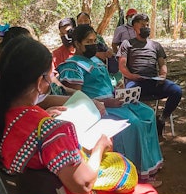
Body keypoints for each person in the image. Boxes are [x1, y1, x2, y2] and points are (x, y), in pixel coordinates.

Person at [0, 35, 120, 194]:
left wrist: (45, 119)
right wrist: (100, 146)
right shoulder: (50, 130)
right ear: (40, 81)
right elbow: (83, 184)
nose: (53, 80)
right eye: (52, 75)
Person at [58, 24, 163, 181]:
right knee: (133, 123)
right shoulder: (72, 66)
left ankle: (151, 165)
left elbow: (107, 81)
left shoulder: (96, 60)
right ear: (77, 44)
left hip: (114, 100)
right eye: (88, 41)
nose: (93, 44)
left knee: (148, 114)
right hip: (98, 108)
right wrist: (106, 102)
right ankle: (135, 173)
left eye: (94, 40)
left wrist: (118, 89)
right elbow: (77, 99)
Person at [118, 14, 182, 138]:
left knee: (177, 91)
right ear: (134, 27)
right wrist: (131, 76)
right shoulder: (127, 44)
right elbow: (122, 66)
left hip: (154, 82)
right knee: (128, 94)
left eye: (147, 25)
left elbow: (162, 64)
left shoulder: (156, 45)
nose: (145, 27)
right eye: (142, 25)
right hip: (135, 82)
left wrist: (163, 75)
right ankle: (136, 125)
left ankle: (162, 120)